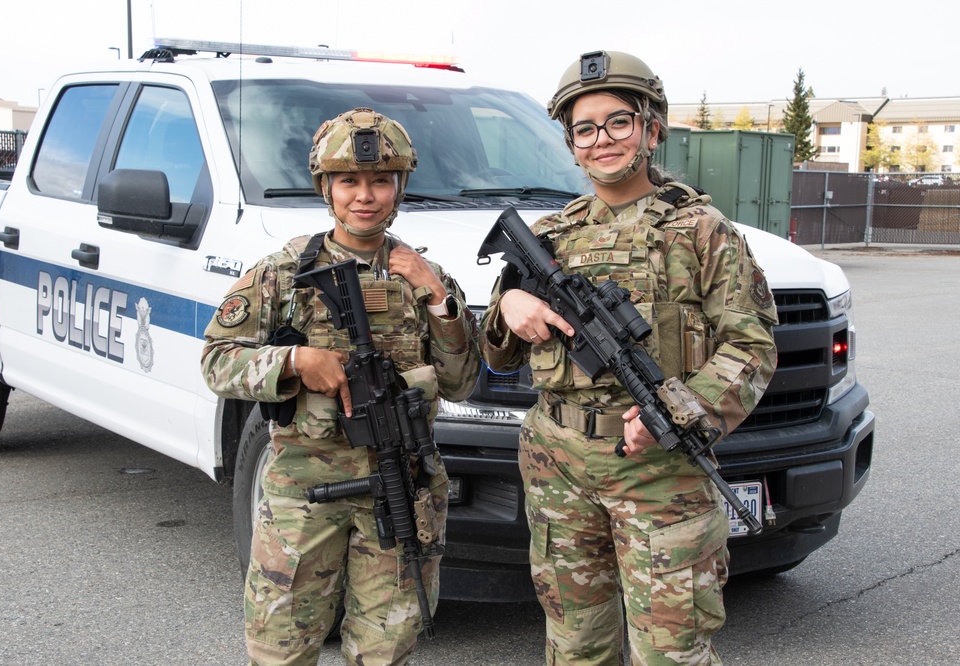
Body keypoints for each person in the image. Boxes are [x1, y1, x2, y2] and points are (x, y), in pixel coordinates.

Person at [478, 51, 778, 665]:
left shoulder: (701, 230)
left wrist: (681, 407)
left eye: (618, 121)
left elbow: (751, 347)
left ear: (651, 127)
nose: (602, 140)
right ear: (570, 142)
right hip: (558, 462)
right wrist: (509, 305)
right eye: (584, 129)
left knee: (672, 652)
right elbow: (497, 355)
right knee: (575, 646)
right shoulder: (551, 235)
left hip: (659, 470)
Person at [202, 107, 481, 665]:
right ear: (325, 187)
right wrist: (296, 360)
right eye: (348, 181)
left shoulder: (423, 274)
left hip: (398, 487)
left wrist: (438, 300)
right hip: (304, 495)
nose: (365, 196)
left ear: (399, 186)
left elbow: (462, 381)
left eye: (381, 181)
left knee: (384, 650)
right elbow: (217, 361)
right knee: (281, 648)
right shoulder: (281, 273)